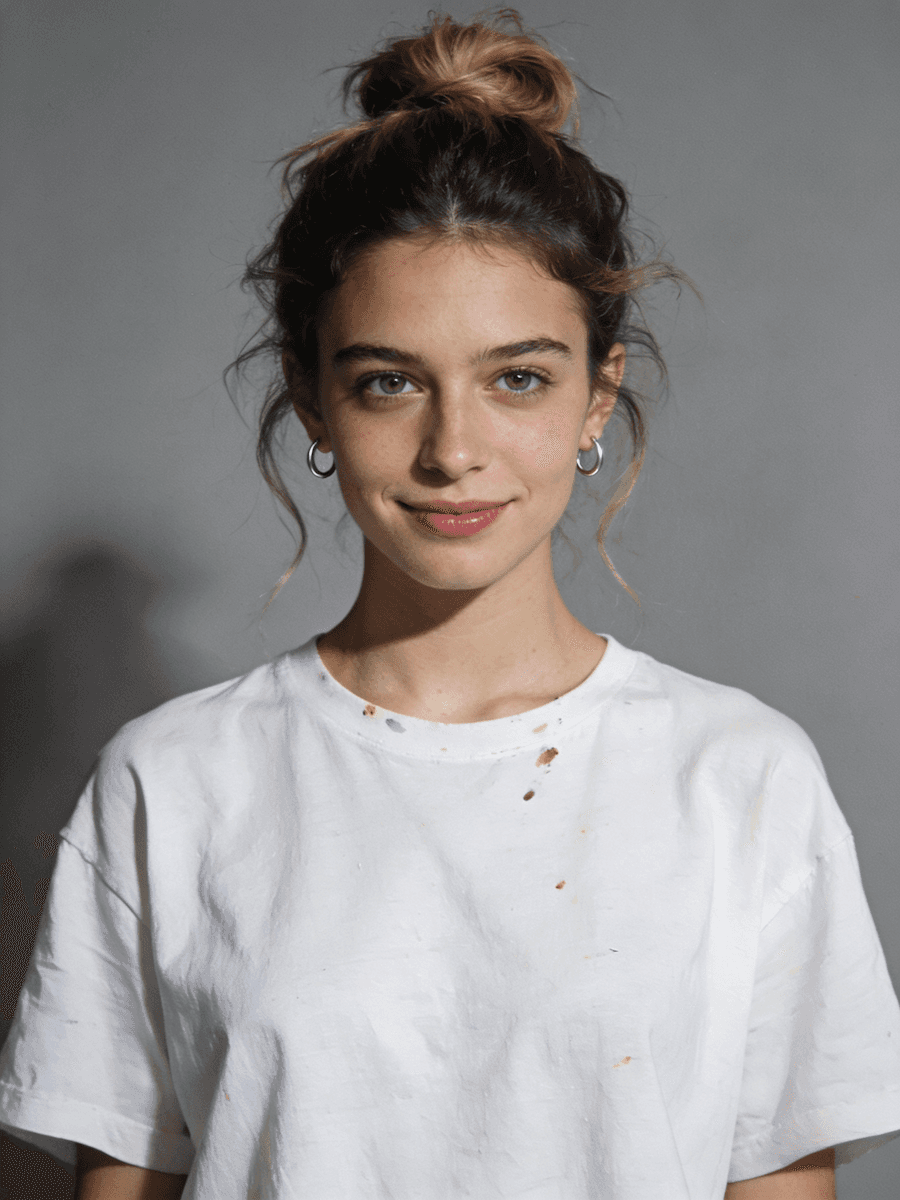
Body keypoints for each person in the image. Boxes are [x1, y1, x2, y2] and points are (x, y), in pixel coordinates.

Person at [1, 10, 899, 1199]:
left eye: (517, 377)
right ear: (312, 401)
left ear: (596, 397)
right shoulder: (172, 784)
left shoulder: (740, 781)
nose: (454, 450)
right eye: (389, 383)